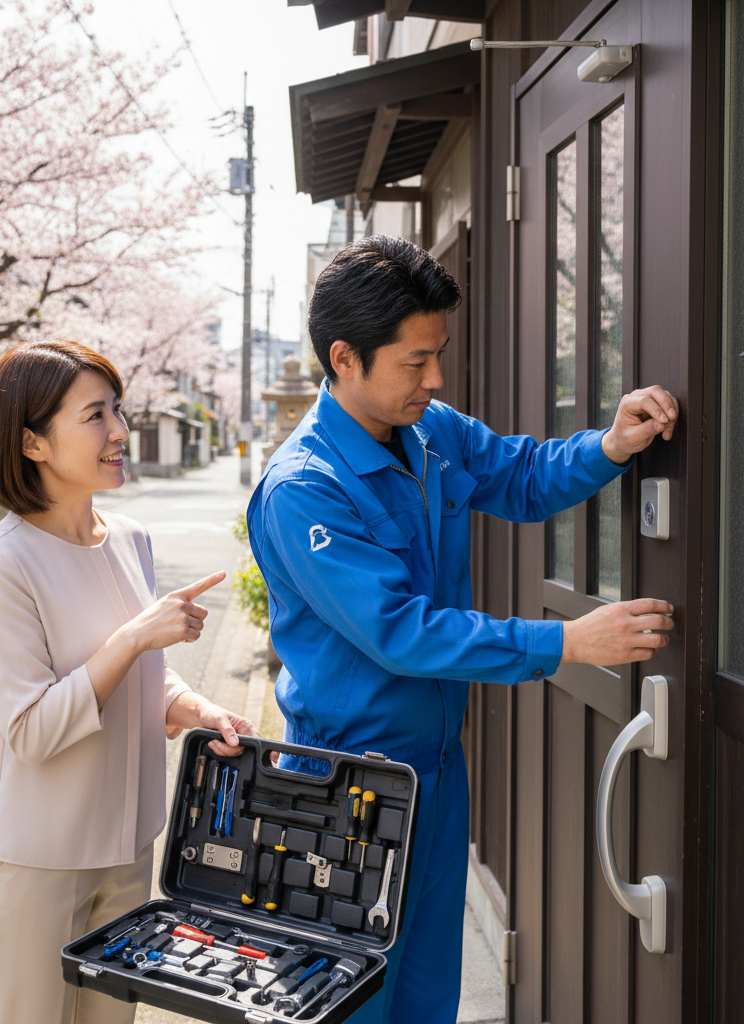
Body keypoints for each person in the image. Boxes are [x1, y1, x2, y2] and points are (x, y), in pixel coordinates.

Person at [246, 235, 678, 1024]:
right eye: (415, 362)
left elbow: (521, 474)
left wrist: (612, 444)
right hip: (347, 789)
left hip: (437, 772)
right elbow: (400, 632)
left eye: (436, 356)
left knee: (425, 996)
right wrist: (565, 643)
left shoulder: (430, 431)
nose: (435, 378)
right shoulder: (304, 489)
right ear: (345, 358)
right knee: (353, 1003)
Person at [0, 340, 255, 1024]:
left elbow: (144, 676)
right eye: (96, 415)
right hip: (36, 859)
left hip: (128, 848)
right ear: (33, 442)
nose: (120, 430)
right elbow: (31, 731)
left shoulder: (129, 538)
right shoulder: (0, 565)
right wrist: (132, 638)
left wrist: (194, 706)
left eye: (117, 410)